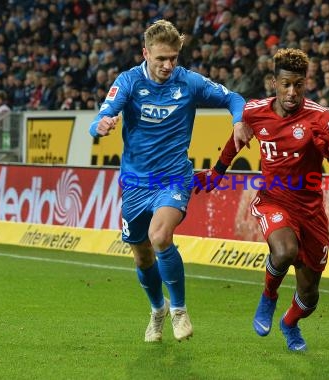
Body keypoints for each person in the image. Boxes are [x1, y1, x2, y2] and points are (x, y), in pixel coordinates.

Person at [89, 20, 249, 343]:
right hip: (135, 184)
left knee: (159, 236)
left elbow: (234, 98)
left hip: (173, 177)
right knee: (142, 255)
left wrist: (238, 121)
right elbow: (99, 119)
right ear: (145, 53)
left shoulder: (188, 82)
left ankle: (179, 309)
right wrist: (102, 125)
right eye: (161, 58)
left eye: (173, 57)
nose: (167, 65)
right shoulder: (129, 82)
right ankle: (157, 309)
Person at [194, 48, 329, 351]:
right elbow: (236, 138)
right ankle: (268, 297)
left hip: (310, 211)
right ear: (273, 82)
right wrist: (217, 171)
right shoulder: (255, 111)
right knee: (283, 251)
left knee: (309, 296)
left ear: (305, 84)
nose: (291, 92)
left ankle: (289, 324)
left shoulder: (319, 117)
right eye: (285, 84)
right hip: (273, 200)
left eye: (298, 84)